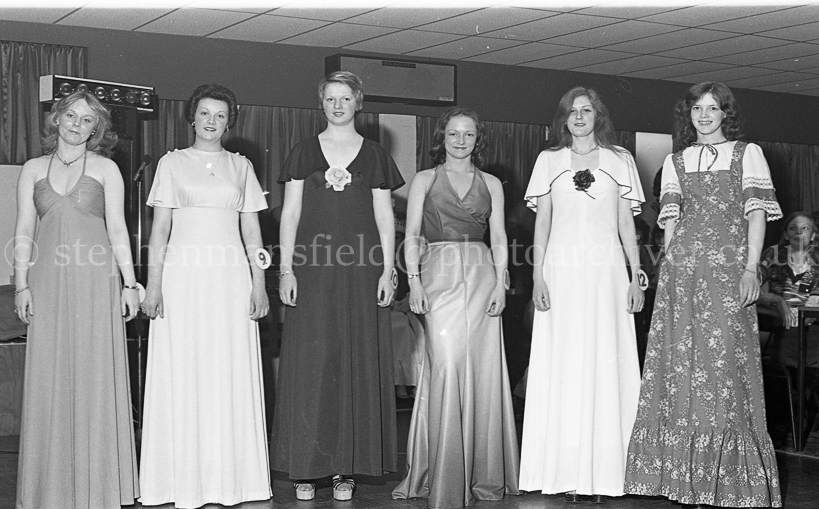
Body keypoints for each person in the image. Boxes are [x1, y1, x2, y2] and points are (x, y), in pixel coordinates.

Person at [624, 81, 783, 507]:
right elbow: (671, 223)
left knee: (724, 368)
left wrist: (751, 269)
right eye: (697, 108)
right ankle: (683, 479)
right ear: (688, 114)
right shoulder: (675, 161)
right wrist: (668, 273)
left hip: (729, 273)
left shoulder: (747, 153)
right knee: (679, 368)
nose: (705, 115)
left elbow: (756, 216)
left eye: (713, 108)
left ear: (726, 113)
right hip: (682, 276)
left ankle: (725, 482)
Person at [271, 71, 404, 502]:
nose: (338, 105)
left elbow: (384, 216)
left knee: (355, 362)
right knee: (311, 364)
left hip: (362, 269)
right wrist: (286, 270)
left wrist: (388, 270)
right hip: (312, 269)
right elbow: (290, 214)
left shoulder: (376, 154)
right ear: (321, 103)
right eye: (331, 98)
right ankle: (306, 468)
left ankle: (345, 469)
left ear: (358, 103)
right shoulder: (303, 151)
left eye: (345, 98)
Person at [139, 84, 271, 507]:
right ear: (191, 118)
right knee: (184, 369)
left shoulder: (241, 166)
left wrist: (259, 283)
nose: (211, 121)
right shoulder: (171, 163)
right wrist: (153, 285)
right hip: (182, 280)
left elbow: (252, 232)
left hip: (230, 281)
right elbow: (160, 230)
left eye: (220, 115)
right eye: (204, 113)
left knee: (226, 370)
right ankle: (177, 482)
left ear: (229, 122)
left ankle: (233, 481)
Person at [12, 91, 139, 508]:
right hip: (47, 281)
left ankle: (98, 490)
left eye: (87, 120)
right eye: (70, 115)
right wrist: (21, 285)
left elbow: (118, 229)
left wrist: (130, 283)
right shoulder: (32, 169)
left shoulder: (106, 169)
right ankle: (49, 491)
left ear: (96, 129)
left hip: (96, 281)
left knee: (94, 376)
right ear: (57, 119)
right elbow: (24, 229)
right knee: (49, 378)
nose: (76, 125)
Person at [520, 86, 645, 504]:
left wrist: (636, 275)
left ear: (598, 116)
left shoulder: (620, 160)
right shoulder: (548, 161)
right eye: (571, 111)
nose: (578, 117)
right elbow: (542, 223)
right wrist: (537, 277)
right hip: (561, 273)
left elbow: (626, 223)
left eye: (586, 110)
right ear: (563, 118)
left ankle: (607, 473)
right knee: (565, 363)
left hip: (607, 274)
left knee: (605, 360)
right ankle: (565, 472)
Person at [392, 108, 520, 509]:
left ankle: (483, 475)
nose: (460, 140)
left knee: (483, 369)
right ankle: (442, 475)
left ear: (477, 140)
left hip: (482, 274)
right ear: (442, 137)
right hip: (438, 272)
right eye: (453, 133)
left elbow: (498, 236)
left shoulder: (492, 183)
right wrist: (414, 281)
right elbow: (413, 233)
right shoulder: (425, 179)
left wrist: (501, 282)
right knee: (445, 363)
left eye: (468, 134)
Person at [757, 212, 819, 367]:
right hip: (781, 324)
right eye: (793, 228)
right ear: (786, 235)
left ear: (813, 235)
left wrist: (812, 304)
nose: (798, 232)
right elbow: (751, 288)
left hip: (812, 324)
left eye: (805, 228)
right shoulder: (774, 255)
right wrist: (777, 301)